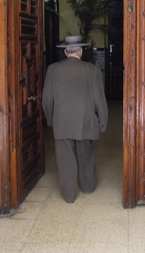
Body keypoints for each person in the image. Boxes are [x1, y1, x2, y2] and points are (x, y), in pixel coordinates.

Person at [42, 35, 108, 203]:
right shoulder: (92, 70)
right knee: (86, 155)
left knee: (65, 160)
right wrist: (103, 120)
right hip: (86, 121)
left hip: (62, 121)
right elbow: (100, 99)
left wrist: (50, 119)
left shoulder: (52, 69)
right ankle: (88, 187)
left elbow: (47, 98)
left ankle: (69, 195)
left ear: (65, 52)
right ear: (81, 51)